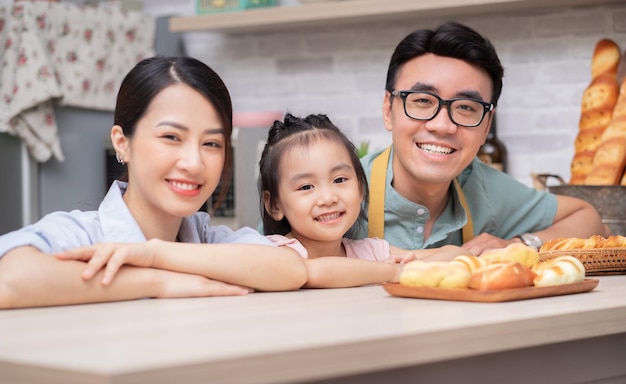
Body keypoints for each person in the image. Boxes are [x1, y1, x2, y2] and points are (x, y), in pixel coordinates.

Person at [0, 56, 307, 309]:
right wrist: (158, 281)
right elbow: (9, 280)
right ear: (122, 143)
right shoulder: (83, 235)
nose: (194, 163)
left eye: (211, 143)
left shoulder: (207, 239)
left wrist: (155, 254)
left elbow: (290, 270)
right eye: (171, 137)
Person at [349, 21, 610, 256]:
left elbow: (588, 217)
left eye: (465, 107)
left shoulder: (485, 188)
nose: (442, 125)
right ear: (387, 110)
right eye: (422, 101)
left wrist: (519, 244)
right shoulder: (340, 190)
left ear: (486, 126)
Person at [258, 113, 471, 288]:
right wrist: (392, 271)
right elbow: (311, 272)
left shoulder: (369, 252)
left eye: (339, 180)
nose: (328, 198)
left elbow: (456, 254)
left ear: (361, 188)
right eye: (306, 187)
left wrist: (405, 267)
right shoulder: (277, 252)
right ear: (275, 205)